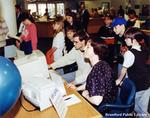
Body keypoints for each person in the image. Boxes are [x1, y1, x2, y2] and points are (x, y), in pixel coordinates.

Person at [74, 38, 117, 113]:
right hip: (109, 100)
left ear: (96, 51)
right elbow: (91, 83)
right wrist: (76, 89)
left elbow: (97, 101)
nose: (84, 48)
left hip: (102, 108)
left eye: (88, 47)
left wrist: (85, 95)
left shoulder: (97, 71)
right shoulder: (101, 63)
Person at [116, 27, 150, 117]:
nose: (125, 39)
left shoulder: (129, 53)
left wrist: (119, 80)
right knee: (143, 108)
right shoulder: (144, 49)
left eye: (127, 38)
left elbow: (124, 69)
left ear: (134, 40)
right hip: (147, 83)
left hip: (137, 85)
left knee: (131, 105)